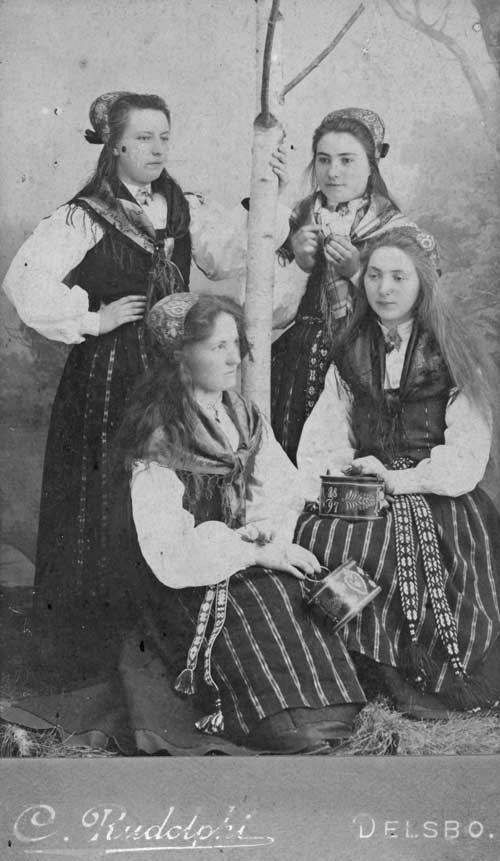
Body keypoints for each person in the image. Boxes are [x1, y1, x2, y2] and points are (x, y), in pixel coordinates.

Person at [1, 90, 295, 685]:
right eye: (142, 138)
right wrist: (93, 319)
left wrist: (274, 197)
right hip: (109, 375)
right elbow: (23, 282)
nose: (157, 149)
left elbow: (232, 256)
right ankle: (96, 646)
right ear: (114, 146)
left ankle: (167, 635)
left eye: (164, 137)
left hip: (174, 370)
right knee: (106, 491)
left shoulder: (184, 207)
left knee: (172, 489)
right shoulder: (85, 215)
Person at [109, 292, 365, 754]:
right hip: (183, 581)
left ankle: (329, 712)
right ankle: (282, 722)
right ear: (181, 356)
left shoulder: (242, 415)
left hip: (236, 555)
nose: (235, 358)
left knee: (292, 584)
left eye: (235, 344)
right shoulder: (161, 434)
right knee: (262, 596)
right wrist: (250, 551)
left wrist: (267, 535)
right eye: (218, 347)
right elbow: (166, 550)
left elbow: (280, 489)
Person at [295, 230, 500, 719]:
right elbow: (324, 437)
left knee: (384, 549)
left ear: (423, 283)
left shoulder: (452, 351)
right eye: (374, 275)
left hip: (436, 492)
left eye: (398, 277)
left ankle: (411, 678)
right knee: (317, 538)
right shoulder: (350, 349)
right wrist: (348, 475)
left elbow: (466, 456)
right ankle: (354, 675)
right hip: (363, 487)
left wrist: (398, 480)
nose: (384, 289)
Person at [271, 107, 439, 462]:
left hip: (369, 359)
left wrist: (358, 273)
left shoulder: (397, 231)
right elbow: (268, 308)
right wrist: (298, 260)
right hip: (298, 361)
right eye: (324, 160)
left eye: (347, 160)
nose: (333, 172)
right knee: (289, 453)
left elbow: (422, 306)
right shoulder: (295, 218)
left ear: (371, 165)